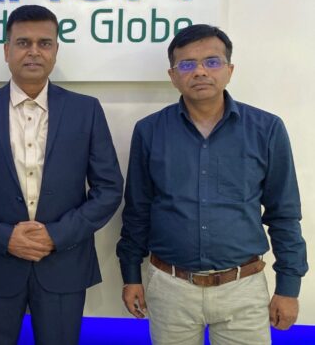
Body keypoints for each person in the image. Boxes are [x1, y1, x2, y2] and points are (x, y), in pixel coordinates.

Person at [0, 4, 123, 344]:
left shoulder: (86, 110)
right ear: (7, 50)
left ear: (56, 50)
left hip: (64, 264)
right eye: (23, 43)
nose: (34, 51)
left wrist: (57, 235)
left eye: (44, 43)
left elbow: (109, 188)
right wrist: (3, 237)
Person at [117, 24, 308, 344]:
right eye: (187, 64)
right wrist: (131, 276)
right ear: (172, 75)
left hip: (242, 288)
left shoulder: (266, 129)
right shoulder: (149, 131)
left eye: (212, 61)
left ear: (230, 70)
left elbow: (284, 214)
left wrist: (288, 288)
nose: (200, 71)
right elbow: (138, 210)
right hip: (170, 286)